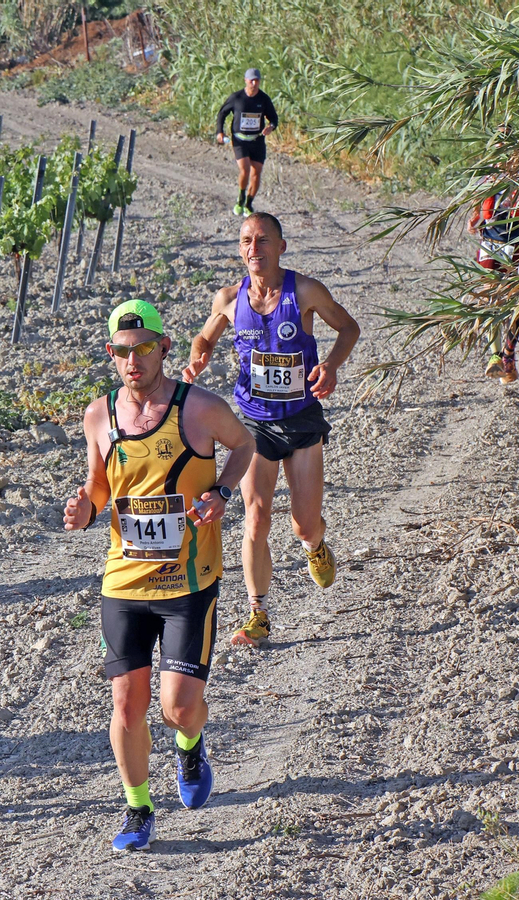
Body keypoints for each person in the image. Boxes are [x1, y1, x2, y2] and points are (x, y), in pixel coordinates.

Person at [64, 299, 255, 852]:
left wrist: (222, 492)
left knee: (177, 708)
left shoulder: (199, 407)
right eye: (122, 352)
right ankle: (137, 809)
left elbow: (244, 443)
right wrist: (87, 509)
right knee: (127, 705)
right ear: (111, 354)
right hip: (124, 582)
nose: (134, 361)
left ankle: (190, 745)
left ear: (164, 348)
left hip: (188, 583)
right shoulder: (98, 415)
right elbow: (99, 484)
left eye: (144, 348)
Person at [181, 213, 360, 648]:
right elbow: (204, 338)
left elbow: (348, 328)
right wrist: (198, 357)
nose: (254, 249)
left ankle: (315, 545)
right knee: (256, 517)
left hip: (301, 419)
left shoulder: (305, 291)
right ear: (240, 249)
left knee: (303, 525)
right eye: (246, 241)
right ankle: (257, 613)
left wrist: (331, 366)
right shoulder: (228, 299)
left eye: (263, 240)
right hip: (254, 423)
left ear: (281, 247)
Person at [467, 178, 519, 384]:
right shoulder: (490, 171)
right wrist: (475, 215)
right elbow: (479, 192)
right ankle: (497, 356)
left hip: (518, 242)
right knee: (489, 298)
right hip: (491, 241)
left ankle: (507, 354)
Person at [215, 69, 278, 218]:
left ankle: (248, 204)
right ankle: (240, 198)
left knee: (256, 173)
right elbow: (222, 113)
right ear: (245, 80)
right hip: (240, 140)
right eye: (251, 80)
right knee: (245, 169)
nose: (254, 83)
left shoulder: (263, 99)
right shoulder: (236, 97)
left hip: (257, 140)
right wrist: (219, 132)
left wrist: (271, 127)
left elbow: (274, 118)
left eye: (257, 80)